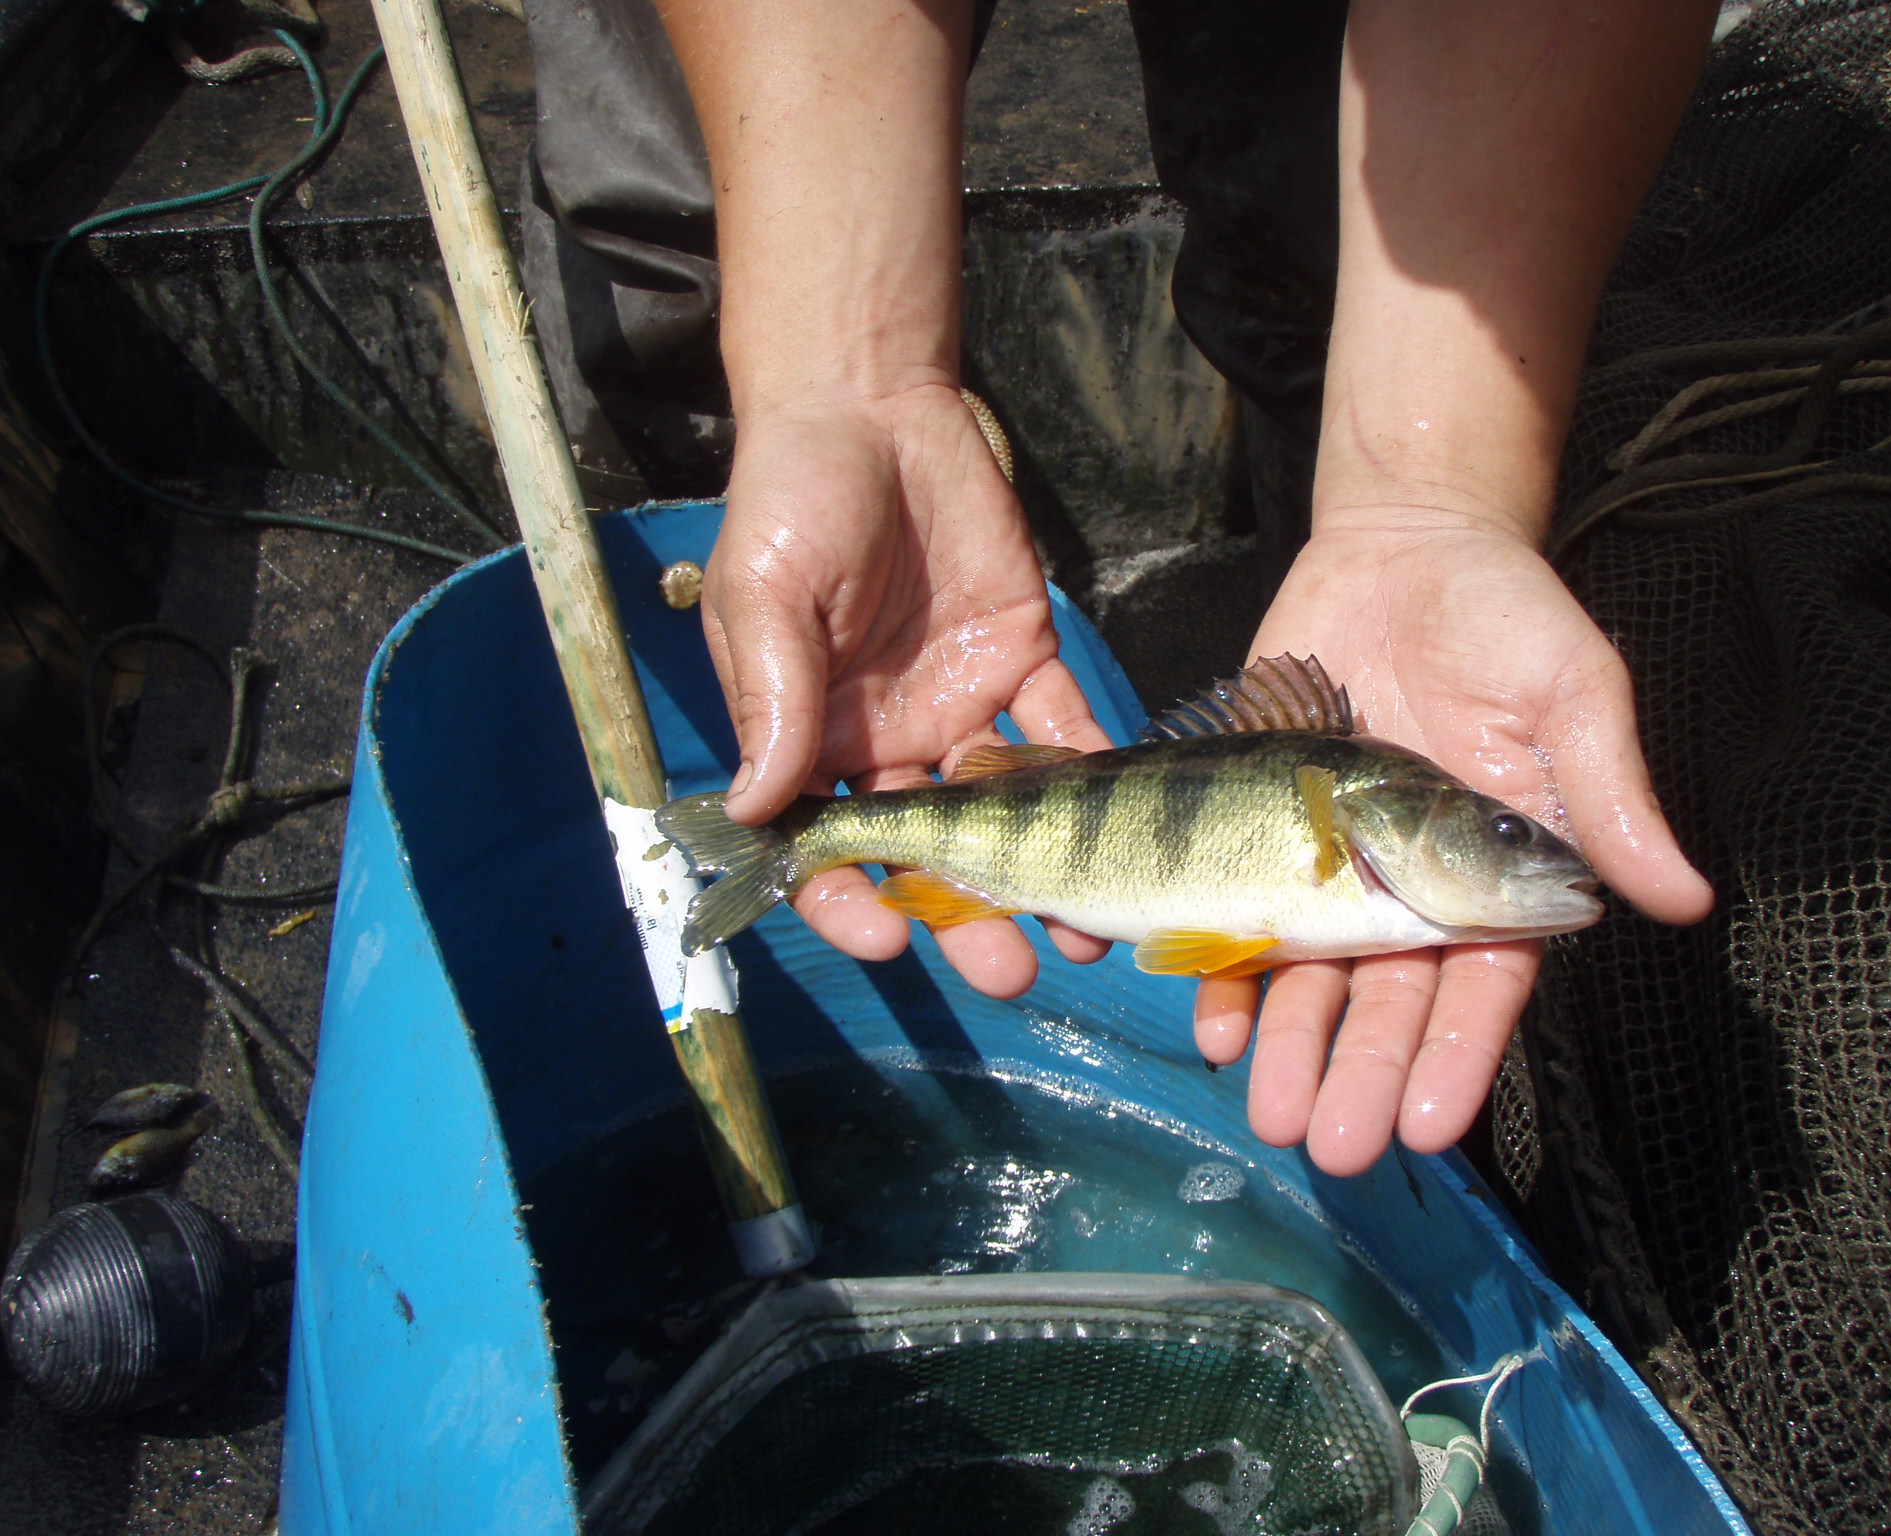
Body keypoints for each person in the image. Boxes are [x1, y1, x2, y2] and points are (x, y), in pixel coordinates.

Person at [579, 0, 1720, 1179]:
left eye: (1501, 829)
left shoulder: (1367, 827)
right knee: (669, 239)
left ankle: (798, 836)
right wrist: (840, 383)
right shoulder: (1355, 814)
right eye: (1494, 826)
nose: (1522, 844)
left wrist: (1432, 493)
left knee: (1291, 223)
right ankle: (792, 822)